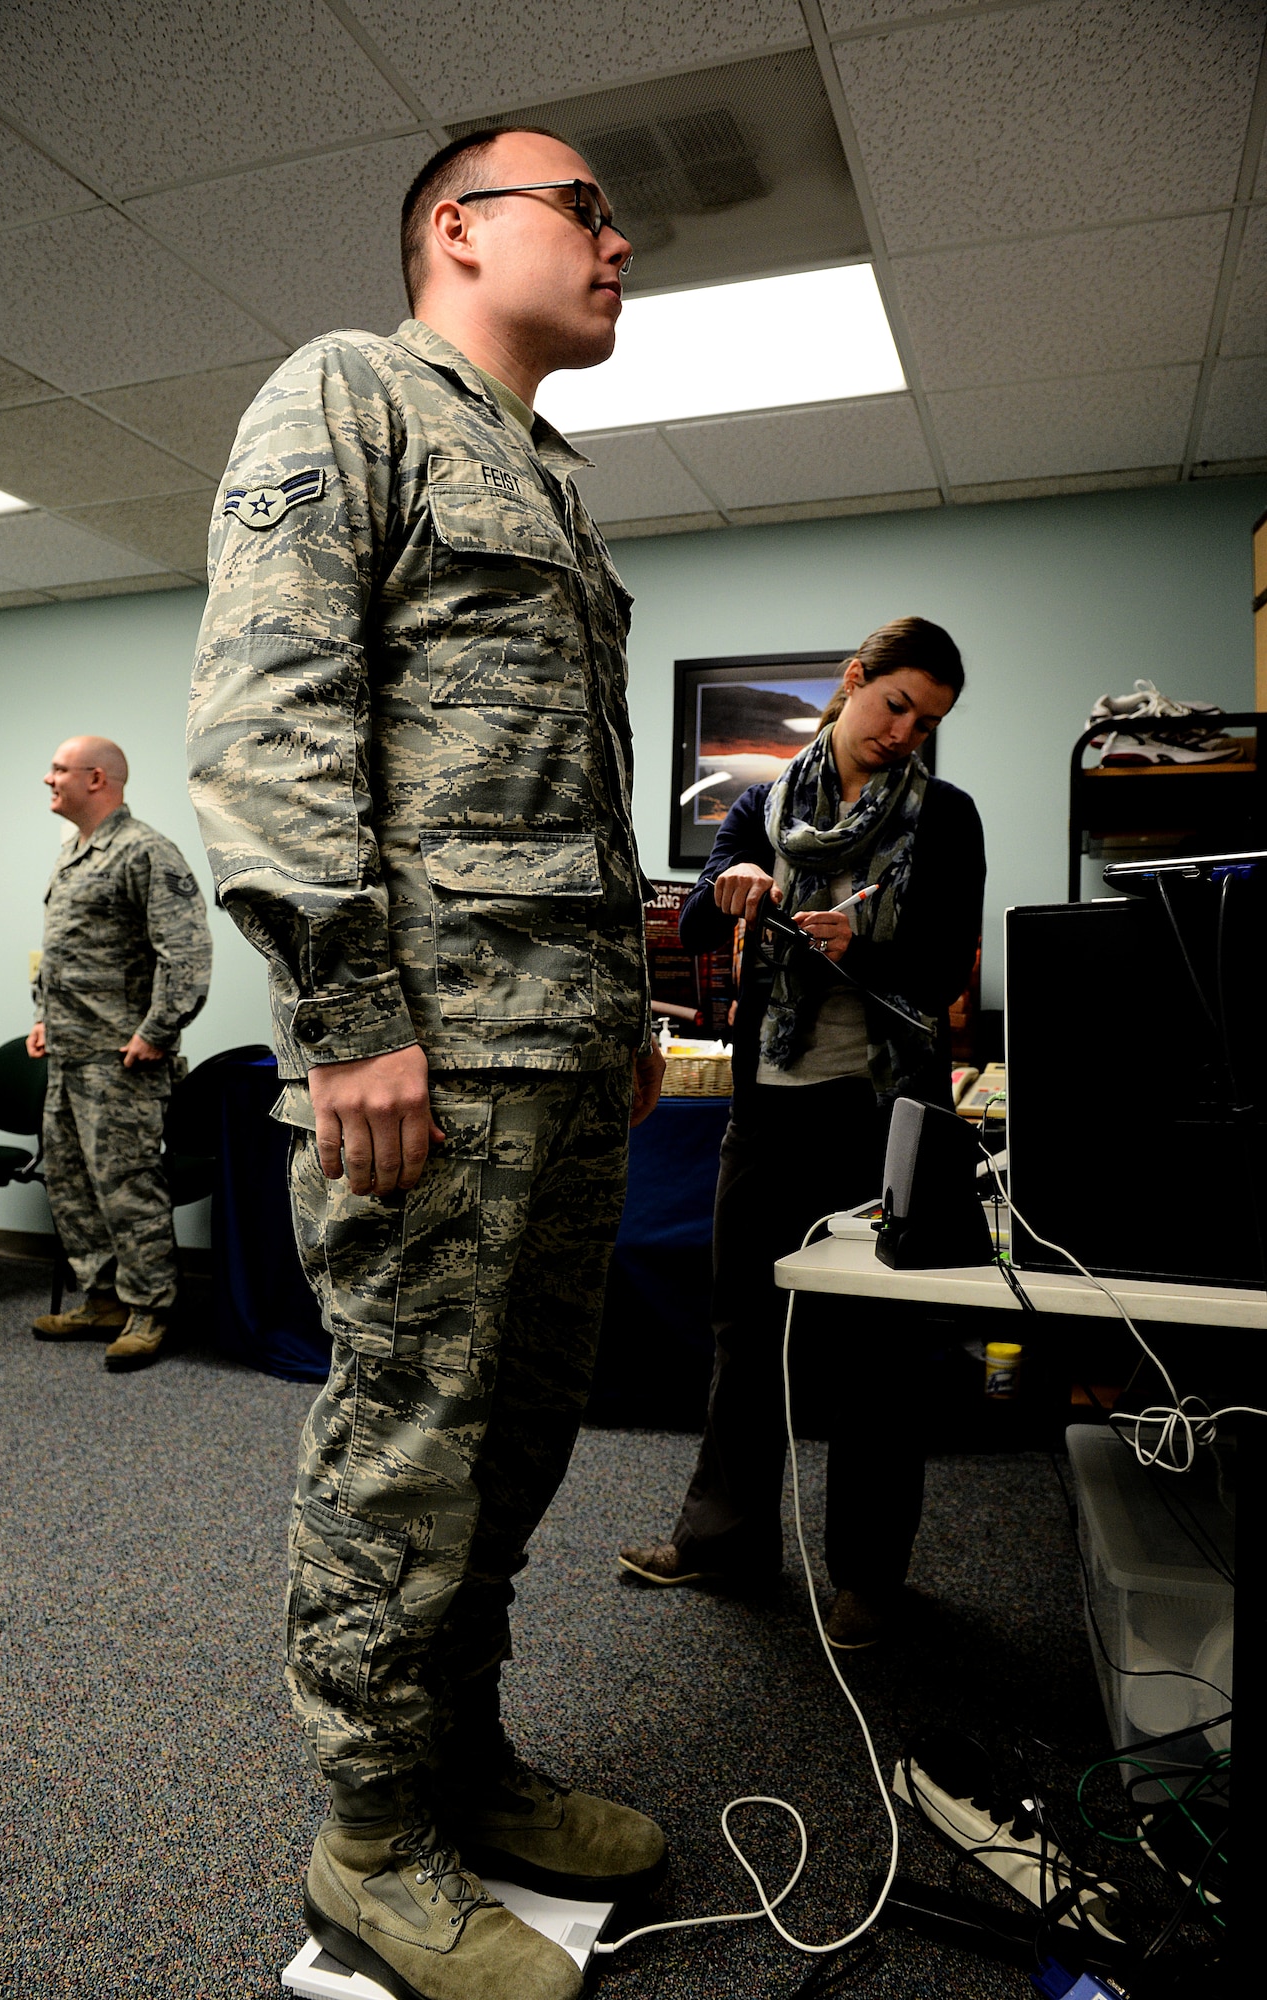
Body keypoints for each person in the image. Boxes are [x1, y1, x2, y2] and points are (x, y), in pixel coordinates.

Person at [187, 126, 665, 2000]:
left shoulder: (547, 476)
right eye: (588, 208)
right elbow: (269, 714)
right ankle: (371, 1841)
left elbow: (573, 785)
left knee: (523, 1442)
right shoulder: (349, 393)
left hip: (563, 1054)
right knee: (408, 1448)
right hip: (432, 1056)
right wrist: (351, 1019)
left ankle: (463, 1757)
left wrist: (624, 1016)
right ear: (459, 228)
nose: (622, 241)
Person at [619, 618, 986, 1649]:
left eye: (929, 720)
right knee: (742, 1329)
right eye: (897, 704)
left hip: (880, 1120)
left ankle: (870, 1574)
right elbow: (691, 923)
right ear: (854, 681)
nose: (907, 731)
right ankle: (726, 1535)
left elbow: (947, 963)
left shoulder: (945, 819)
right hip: (768, 1110)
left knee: (878, 1351)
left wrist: (858, 937)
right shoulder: (762, 805)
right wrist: (725, 886)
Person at [28, 735, 211, 1371]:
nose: (48, 778)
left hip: (122, 1063)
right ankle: (103, 1300)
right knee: (72, 1184)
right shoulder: (74, 853)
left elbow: (184, 953)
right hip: (69, 1056)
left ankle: (150, 1309)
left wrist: (158, 1030)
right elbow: (67, 950)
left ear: (97, 778)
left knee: (127, 1187)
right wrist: (43, 1016)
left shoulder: (145, 851)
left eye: (58, 769)